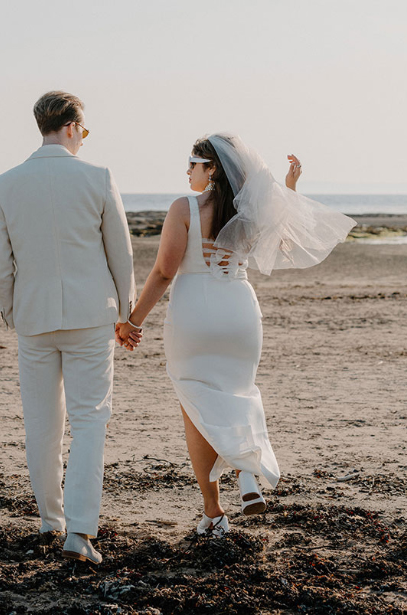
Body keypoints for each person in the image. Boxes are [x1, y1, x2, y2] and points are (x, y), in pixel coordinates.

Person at [117, 133, 355, 536]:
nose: (188, 169)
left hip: (194, 316)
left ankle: (213, 511)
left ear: (212, 169)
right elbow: (286, 241)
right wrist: (290, 189)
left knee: (196, 407)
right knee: (238, 393)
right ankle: (247, 472)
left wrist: (133, 321)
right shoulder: (254, 213)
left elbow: (163, 272)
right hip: (240, 313)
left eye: (193, 162)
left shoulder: (184, 208)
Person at [0, 91, 136, 564]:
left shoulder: (3, 184)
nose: (84, 140)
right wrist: (126, 312)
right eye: (84, 132)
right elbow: (121, 254)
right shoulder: (98, 178)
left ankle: (52, 520)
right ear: (71, 127)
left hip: (33, 318)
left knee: (42, 425)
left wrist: (12, 311)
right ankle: (79, 534)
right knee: (91, 422)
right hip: (92, 316)